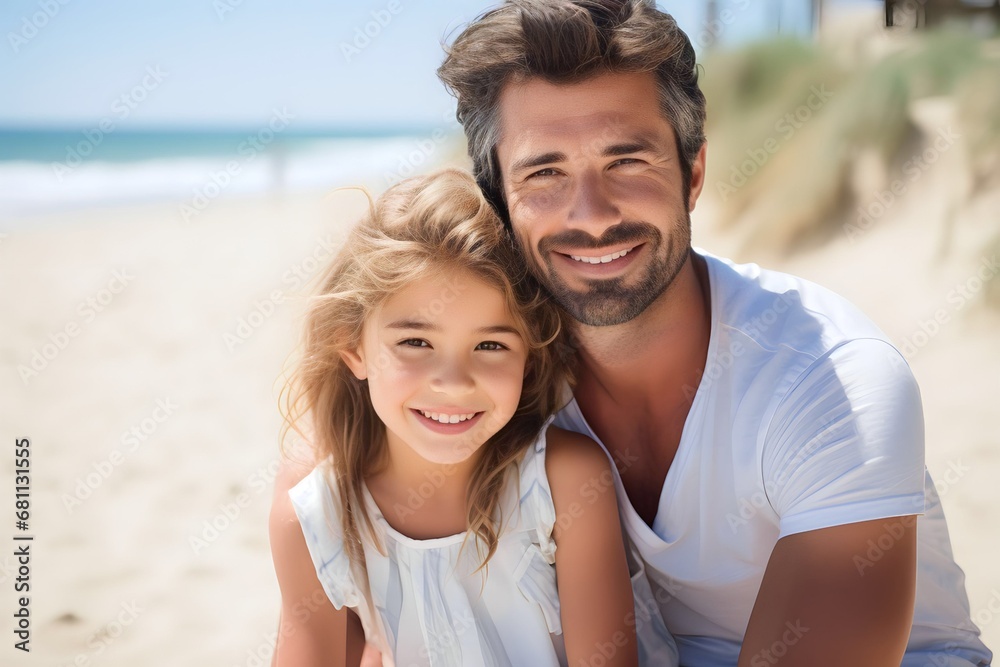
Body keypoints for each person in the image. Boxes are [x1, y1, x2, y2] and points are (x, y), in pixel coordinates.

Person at [425, 1, 994, 666]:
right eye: (544, 172)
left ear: (692, 175)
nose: (592, 214)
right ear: (499, 202)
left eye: (627, 161)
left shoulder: (828, 377)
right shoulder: (487, 380)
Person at [268, 168, 673, 666]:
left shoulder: (562, 483)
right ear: (352, 347)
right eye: (415, 342)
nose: (454, 382)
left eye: (490, 345)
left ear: (529, 355)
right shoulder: (319, 509)